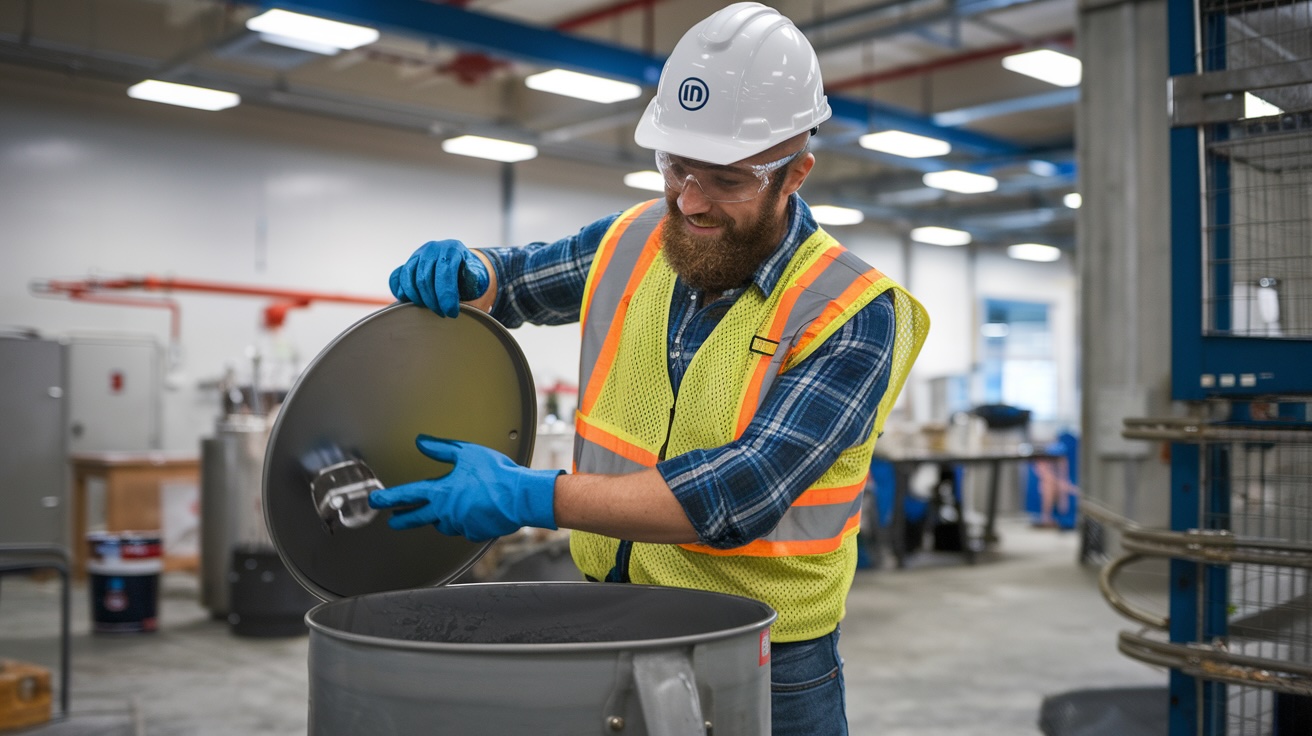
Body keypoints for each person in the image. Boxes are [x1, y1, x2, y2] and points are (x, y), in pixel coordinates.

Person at [370, 3, 929, 733]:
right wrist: (469, 270)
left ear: (795, 173)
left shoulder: (853, 309)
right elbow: (515, 282)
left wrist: (529, 498)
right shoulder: (638, 237)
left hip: (766, 657)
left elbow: (738, 493)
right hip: (610, 617)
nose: (690, 201)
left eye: (726, 178)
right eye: (675, 166)